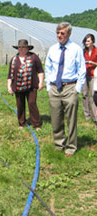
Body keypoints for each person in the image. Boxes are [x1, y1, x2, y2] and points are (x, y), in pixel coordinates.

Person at [45, 22, 86, 157]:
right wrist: (48, 86)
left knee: (71, 119)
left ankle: (71, 146)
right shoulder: (53, 49)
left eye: (62, 33)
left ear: (69, 34)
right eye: (57, 33)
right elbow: (48, 68)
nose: (59, 35)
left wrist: (77, 89)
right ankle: (59, 143)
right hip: (55, 88)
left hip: (70, 88)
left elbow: (82, 70)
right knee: (56, 118)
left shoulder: (76, 49)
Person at [7, 39, 44, 130]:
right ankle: (22, 123)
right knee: (20, 105)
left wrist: (41, 82)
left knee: (32, 104)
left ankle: (36, 124)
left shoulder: (34, 57)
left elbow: (40, 71)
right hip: (18, 86)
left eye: (23, 47)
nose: (21, 49)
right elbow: (10, 75)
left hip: (31, 86)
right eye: (20, 47)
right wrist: (9, 86)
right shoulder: (14, 59)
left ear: (27, 48)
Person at [82, 33, 97, 124]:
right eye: (86, 41)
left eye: (88, 41)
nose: (86, 43)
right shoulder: (83, 51)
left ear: (93, 41)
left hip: (93, 75)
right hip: (84, 75)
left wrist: (92, 63)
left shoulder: (96, 51)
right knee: (84, 95)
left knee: (93, 96)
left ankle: (95, 116)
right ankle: (87, 115)